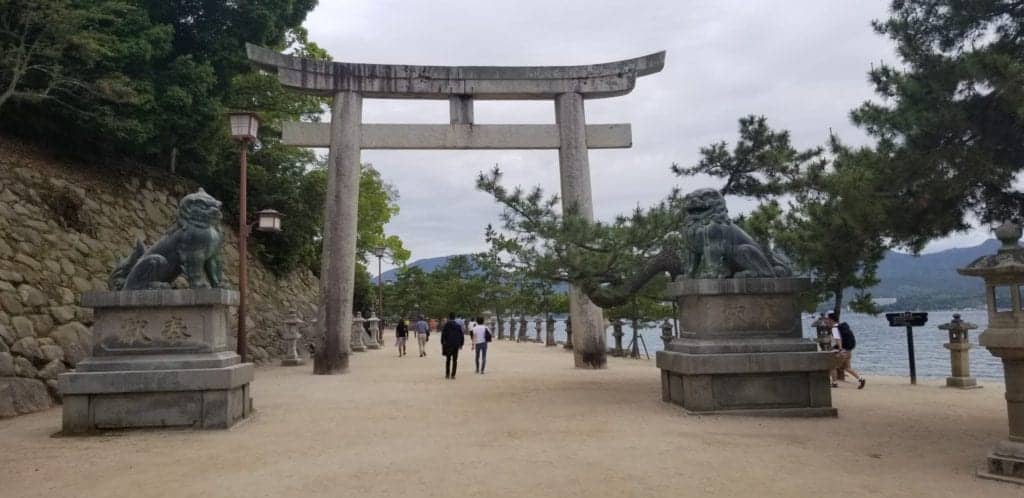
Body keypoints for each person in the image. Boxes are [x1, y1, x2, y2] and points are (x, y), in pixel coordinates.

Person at [828, 312, 865, 389]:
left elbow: (838, 339)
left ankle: (834, 383)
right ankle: (861, 379)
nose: (827, 321)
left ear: (831, 320)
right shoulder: (843, 327)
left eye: (828, 320)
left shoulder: (834, 328)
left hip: (843, 351)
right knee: (847, 367)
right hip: (849, 350)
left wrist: (840, 349)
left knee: (832, 366)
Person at [441, 312, 464, 379]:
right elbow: (461, 335)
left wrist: (442, 342)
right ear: (454, 317)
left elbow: (443, 334)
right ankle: (453, 375)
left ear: (449, 317)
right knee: (455, 360)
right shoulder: (458, 325)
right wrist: (461, 344)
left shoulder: (446, 325)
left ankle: (447, 374)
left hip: (448, 344)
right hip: (456, 344)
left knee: (448, 359)